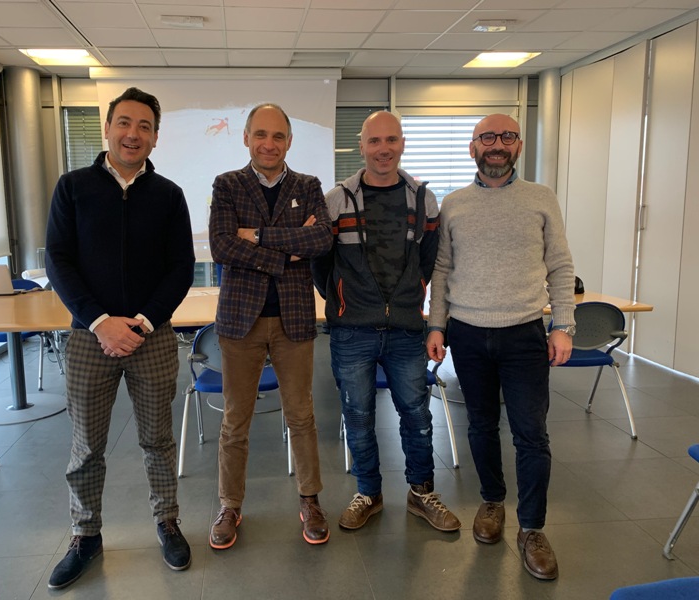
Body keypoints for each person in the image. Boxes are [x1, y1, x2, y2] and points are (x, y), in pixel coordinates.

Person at [45, 87, 196, 589]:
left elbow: (181, 268)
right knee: (86, 446)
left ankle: (167, 521)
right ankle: (85, 535)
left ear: (155, 137)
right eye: (125, 123)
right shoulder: (73, 187)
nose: (134, 134)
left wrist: (143, 323)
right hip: (90, 339)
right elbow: (58, 260)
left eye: (145, 126)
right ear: (107, 128)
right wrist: (99, 321)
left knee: (158, 440)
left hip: (152, 338)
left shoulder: (169, 195)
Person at [427, 113, 576, 581]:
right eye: (487, 137)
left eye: (507, 136)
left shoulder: (541, 198)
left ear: (518, 146)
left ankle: (531, 528)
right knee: (481, 426)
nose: (497, 144)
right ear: (472, 147)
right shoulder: (453, 203)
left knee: (532, 434)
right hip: (468, 333)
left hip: (524, 333)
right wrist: (437, 325)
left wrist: (563, 325)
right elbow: (442, 270)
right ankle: (492, 501)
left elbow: (560, 264)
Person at [311, 111, 461, 534]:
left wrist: (412, 297)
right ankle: (368, 493)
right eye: (374, 141)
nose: (383, 149)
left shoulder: (423, 199)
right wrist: (343, 300)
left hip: (407, 330)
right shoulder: (337, 199)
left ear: (402, 144)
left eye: (391, 140)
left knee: (416, 416)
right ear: (361, 146)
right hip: (351, 330)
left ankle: (421, 492)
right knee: (357, 416)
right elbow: (321, 264)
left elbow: (429, 260)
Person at [208, 103, 333, 549]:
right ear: (246, 138)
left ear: (289, 142)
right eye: (260, 134)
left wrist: (257, 235)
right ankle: (229, 505)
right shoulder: (227, 185)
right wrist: (286, 256)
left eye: (278, 136)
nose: (269, 144)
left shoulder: (308, 185)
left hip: (293, 320)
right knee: (235, 421)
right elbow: (222, 247)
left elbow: (321, 239)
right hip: (240, 322)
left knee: (301, 416)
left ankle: (310, 499)